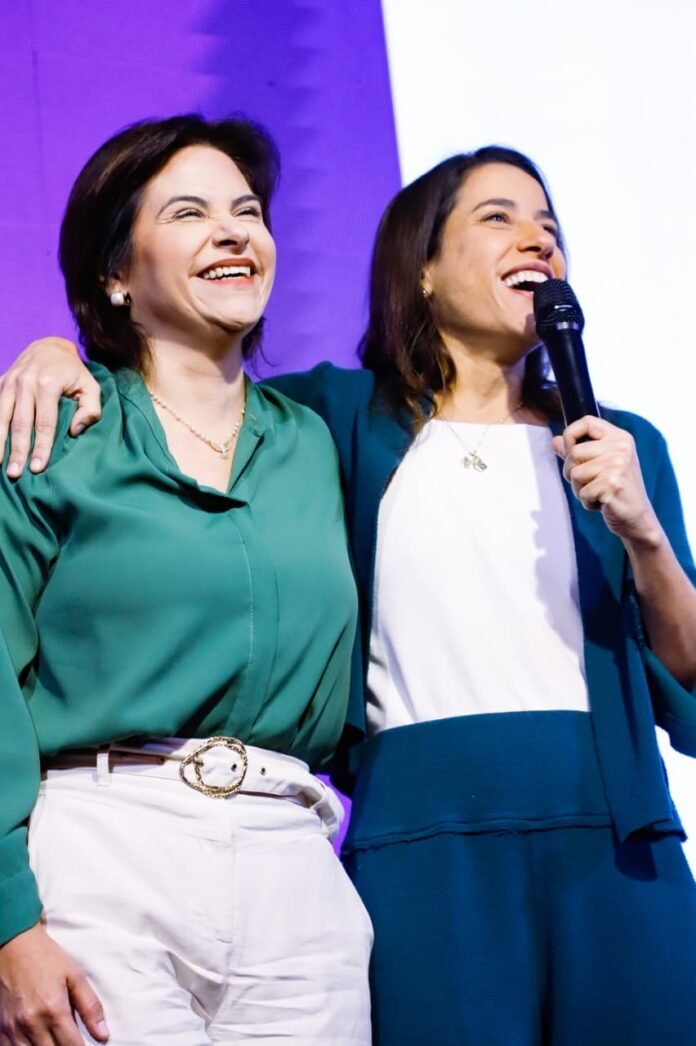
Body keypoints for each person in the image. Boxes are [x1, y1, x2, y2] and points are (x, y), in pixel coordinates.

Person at [4, 145, 696, 1046]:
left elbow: (685, 682)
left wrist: (645, 533)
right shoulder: (339, 420)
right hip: (419, 836)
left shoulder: (618, 444)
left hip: (612, 830)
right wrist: (52, 354)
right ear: (422, 268)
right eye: (498, 217)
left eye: (549, 225)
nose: (538, 241)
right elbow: (188, 381)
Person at [0, 115, 373, 1046]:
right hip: (99, 854)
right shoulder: (54, 435)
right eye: (190, 213)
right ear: (115, 274)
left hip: (295, 866)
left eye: (248, 212)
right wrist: (7, 921)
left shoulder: (320, 435)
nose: (233, 232)